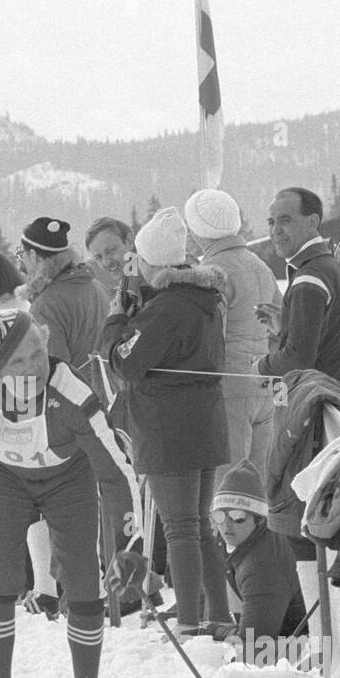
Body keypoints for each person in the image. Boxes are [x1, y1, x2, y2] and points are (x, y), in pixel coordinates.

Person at [0, 309, 141, 678]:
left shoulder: (71, 392)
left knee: (84, 577)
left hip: (67, 477)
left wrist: (132, 544)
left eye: (38, 352)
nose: (34, 367)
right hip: (2, 478)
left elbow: (116, 472)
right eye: (18, 362)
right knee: (0, 572)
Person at [103, 206, 230, 632]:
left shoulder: (163, 309)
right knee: (200, 525)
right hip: (205, 421)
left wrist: (117, 320)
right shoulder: (205, 300)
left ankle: (190, 622)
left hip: (166, 426)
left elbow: (126, 363)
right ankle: (218, 615)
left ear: (149, 261)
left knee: (180, 528)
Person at [259, 188, 340, 418]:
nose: (276, 230)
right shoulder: (334, 270)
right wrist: (287, 327)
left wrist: (259, 367)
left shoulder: (310, 277)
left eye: (285, 220)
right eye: (271, 222)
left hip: (324, 409)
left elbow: (299, 358)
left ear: (313, 222)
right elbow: (332, 341)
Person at [185, 188, 280, 478]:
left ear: (201, 230)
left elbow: (210, 339)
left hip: (229, 389)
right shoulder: (260, 266)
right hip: (267, 385)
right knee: (258, 487)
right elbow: (281, 326)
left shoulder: (212, 272)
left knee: (227, 487)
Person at [200, 460, 307, 663]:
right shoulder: (245, 542)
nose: (226, 525)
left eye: (238, 516)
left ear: (259, 519)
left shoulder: (263, 565)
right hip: (286, 637)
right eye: (219, 516)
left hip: (312, 653)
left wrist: (217, 631)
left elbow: (253, 649)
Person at [16, 217, 110, 373]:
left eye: (21, 254)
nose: (21, 262)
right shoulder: (96, 286)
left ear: (34, 255)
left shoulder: (46, 305)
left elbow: (54, 370)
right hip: (112, 390)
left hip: (78, 394)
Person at [85, 216, 133, 295]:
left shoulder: (147, 288)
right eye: (98, 257)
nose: (106, 262)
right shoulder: (128, 287)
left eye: (111, 250)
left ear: (129, 241)